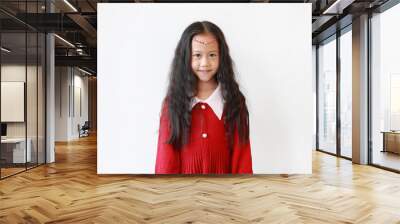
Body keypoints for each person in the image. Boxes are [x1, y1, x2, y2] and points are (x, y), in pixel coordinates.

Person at [155, 21, 252, 174]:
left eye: (212, 55)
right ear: (186, 57)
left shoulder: (234, 102)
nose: (205, 63)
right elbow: (165, 162)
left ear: (222, 56)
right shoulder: (173, 104)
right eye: (197, 55)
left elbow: (242, 160)